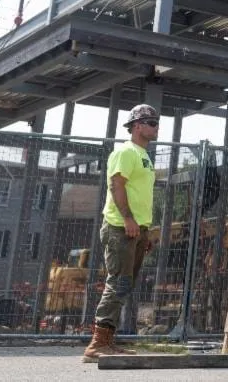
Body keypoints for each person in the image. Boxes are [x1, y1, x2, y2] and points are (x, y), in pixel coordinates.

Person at [82, 105, 160, 362]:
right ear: (137, 126)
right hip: (121, 227)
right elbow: (116, 185)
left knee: (124, 285)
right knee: (118, 283)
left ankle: (107, 341)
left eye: (156, 122)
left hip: (136, 230)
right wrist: (127, 218)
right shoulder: (126, 151)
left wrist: (144, 231)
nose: (155, 126)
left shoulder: (144, 155)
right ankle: (97, 344)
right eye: (151, 122)